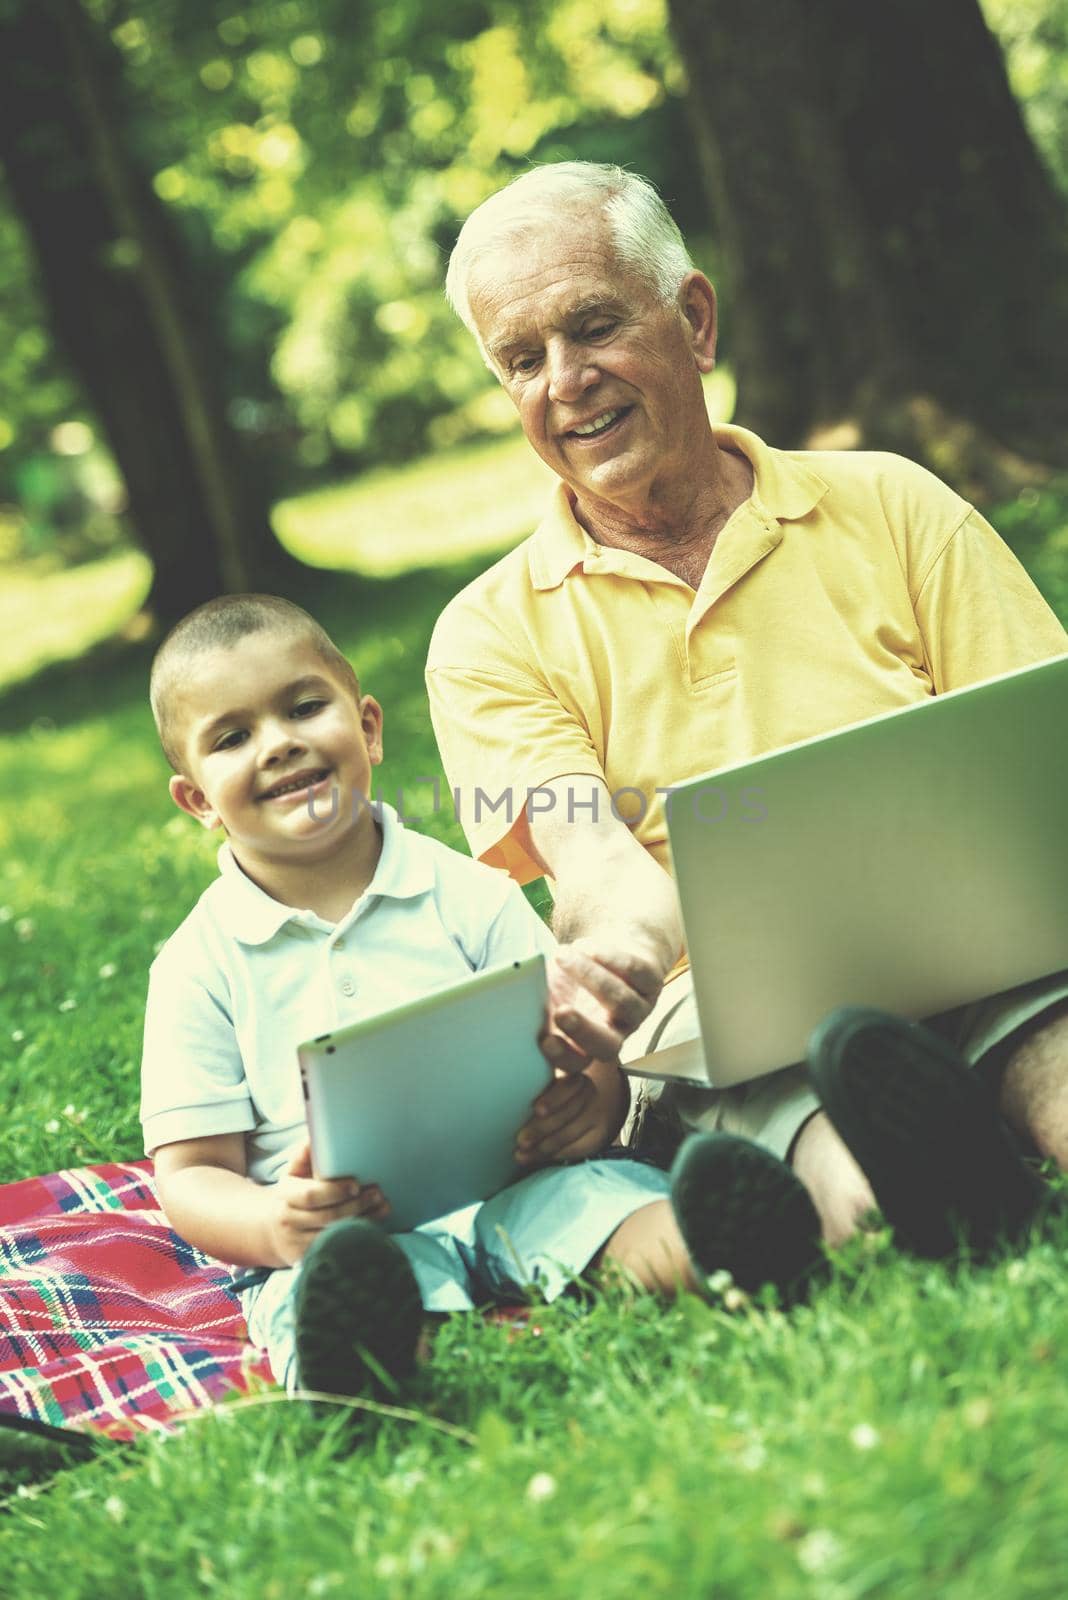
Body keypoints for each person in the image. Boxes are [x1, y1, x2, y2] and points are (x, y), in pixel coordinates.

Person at [426, 161, 1068, 1260]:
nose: (566, 381)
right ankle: (939, 1178)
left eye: (592, 326)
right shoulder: (487, 634)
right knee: (859, 1199)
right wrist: (622, 949)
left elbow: (1038, 757)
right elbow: (587, 845)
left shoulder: (894, 504)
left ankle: (982, 1124)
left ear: (694, 318)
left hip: (988, 951)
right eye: (522, 360)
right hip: (728, 1019)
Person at [140, 595, 824, 1403]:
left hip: (519, 1181)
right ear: (197, 802)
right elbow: (190, 1176)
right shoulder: (199, 964)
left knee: (608, 1205)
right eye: (233, 736)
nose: (280, 743)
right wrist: (272, 1224)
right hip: (341, 1233)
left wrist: (589, 1110)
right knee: (322, 1291)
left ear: (367, 727)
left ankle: (724, 1243)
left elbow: (578, 1054)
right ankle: (374, 1359)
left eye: (303, 707)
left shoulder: (470, 894)